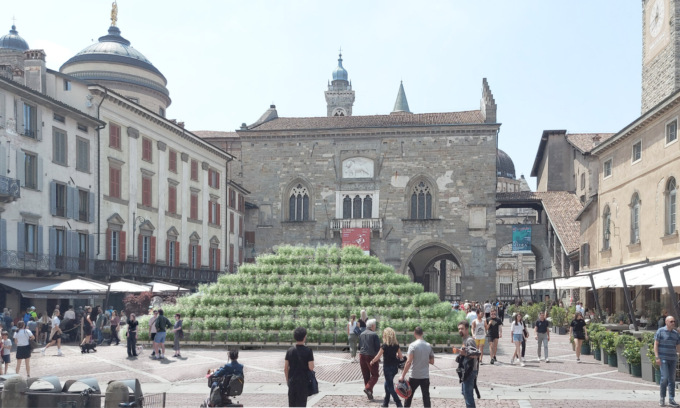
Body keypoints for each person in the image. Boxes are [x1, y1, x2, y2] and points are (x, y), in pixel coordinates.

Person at [398, 326, 434, 408]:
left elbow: (408, 362)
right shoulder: (428, 345)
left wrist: (402, 375)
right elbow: (432, 361)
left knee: (409, 396)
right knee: (426, 397)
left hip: (414, 375)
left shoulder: (412, 345)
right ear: (422, 334)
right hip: (425, 375)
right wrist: (425, 359)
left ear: (415, 334)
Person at [370, 327, 403, 408]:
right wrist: (395, 355)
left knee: (390, 386)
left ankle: (398, 403)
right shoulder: (396, 345)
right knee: (387, 384)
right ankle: (385, 403)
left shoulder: (384, 346)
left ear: (386, 336)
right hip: (394, 368)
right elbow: (401, 356)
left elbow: (378, 356)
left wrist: (372, 361)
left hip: (387, 368)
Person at [284, 327, 314, 407]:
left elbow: (285, 368)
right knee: (301, 404)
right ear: (304, 337)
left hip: (292, 381)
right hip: (303, 382)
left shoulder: (289, 350)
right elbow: (311, 367)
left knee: (292, 404)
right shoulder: (308, 351)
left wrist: (288, 380)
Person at [655, 315, 680, 407]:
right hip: (663, 358)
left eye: (674, 321)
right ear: (666, 322)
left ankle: (671, 399)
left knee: (672, 379)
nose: (673, 323)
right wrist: (657, 357)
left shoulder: (676, 333)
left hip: (673, 359)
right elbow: (656, 345)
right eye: (671, 321)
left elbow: (678, 346)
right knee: (664, 377)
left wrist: (678, 354)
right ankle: (662, 398)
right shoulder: (660, 331)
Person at [456, 320, 480, 408]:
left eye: (462, 329)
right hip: (466, 370)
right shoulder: (465, 339)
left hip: (470, 371)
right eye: (459, 329)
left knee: (468, 394)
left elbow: (476, 354)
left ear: (467, 329)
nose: (460, 331)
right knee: (465, 392)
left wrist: (464, 354)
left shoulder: (469, 340)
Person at [359, 318, 380, 400]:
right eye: (375, 325)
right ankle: (368, 388)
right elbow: (378, 348)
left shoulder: (361, 334)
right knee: (375, 375)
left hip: (361, 355)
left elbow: (359, 346)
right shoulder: (374, 335)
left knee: (366, 375)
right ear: (372, 326)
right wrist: (378, 358)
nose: (375, 326)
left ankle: (369, 393)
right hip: (371, 356)